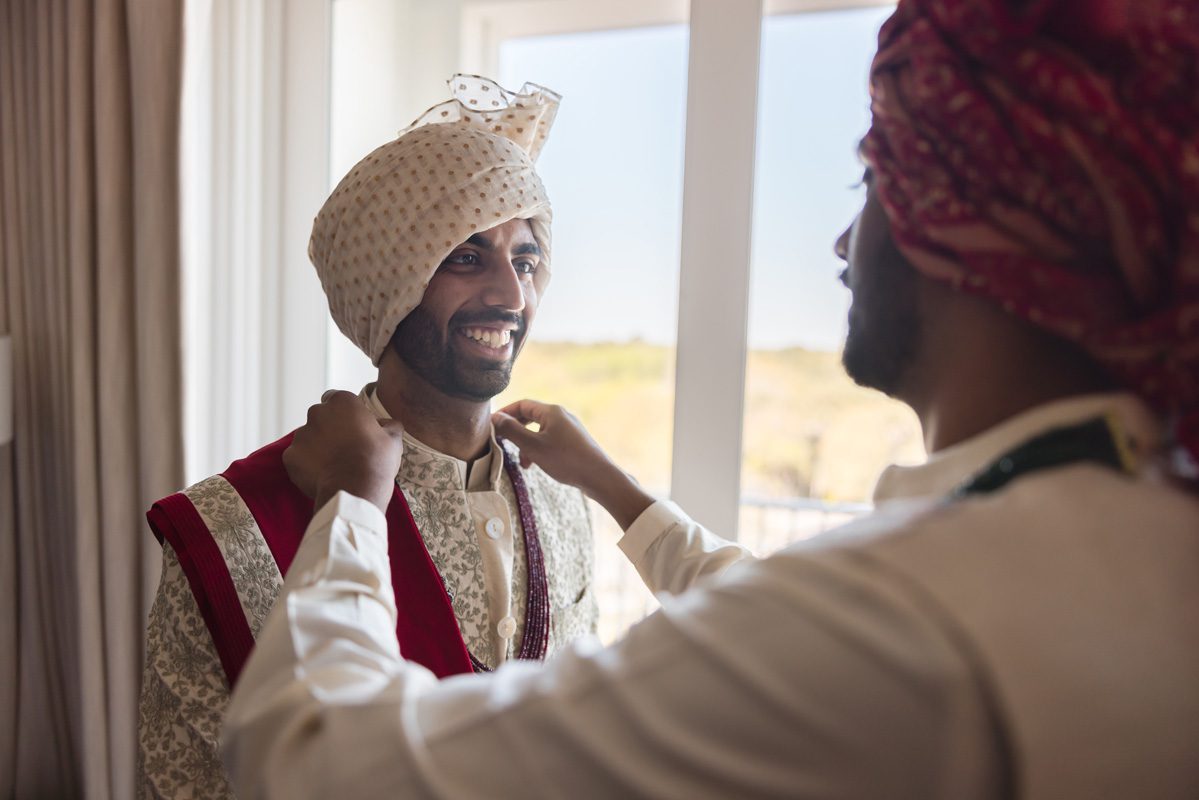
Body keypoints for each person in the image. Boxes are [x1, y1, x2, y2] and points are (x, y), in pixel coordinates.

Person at [223, 1, 1199, 797]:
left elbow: (316, 765)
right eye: (465, 255)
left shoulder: (900, 620)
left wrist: (350, 502)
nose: (840, 243)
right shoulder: (1147, 529)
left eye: (871, 183)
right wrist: (619, 490)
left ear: (972, 229)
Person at [136, 76, 598, 798]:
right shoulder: (232, 527)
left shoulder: (566, 499)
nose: (512, 296)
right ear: (388, 282)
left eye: (525, 259)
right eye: (466, 257)